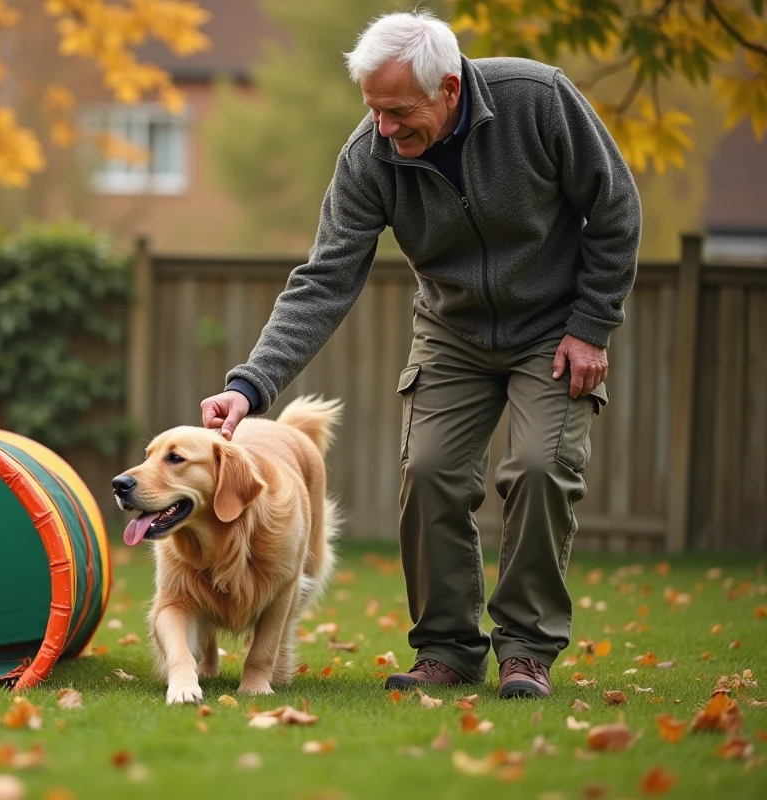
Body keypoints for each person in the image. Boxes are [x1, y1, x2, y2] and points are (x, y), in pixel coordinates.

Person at [199, 10, 641, 699]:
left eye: (399, 111)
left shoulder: (537, 99)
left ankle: (525, 650)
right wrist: (251, 387)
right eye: (373, 109)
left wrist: (592, 323)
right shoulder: (368, 158)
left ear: (450, 90)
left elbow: (615, 209)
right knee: (430, 471)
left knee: (539, 467)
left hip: (554, 329)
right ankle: (447, 649)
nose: (385, 128)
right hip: (453, 333)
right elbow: (325, 278)